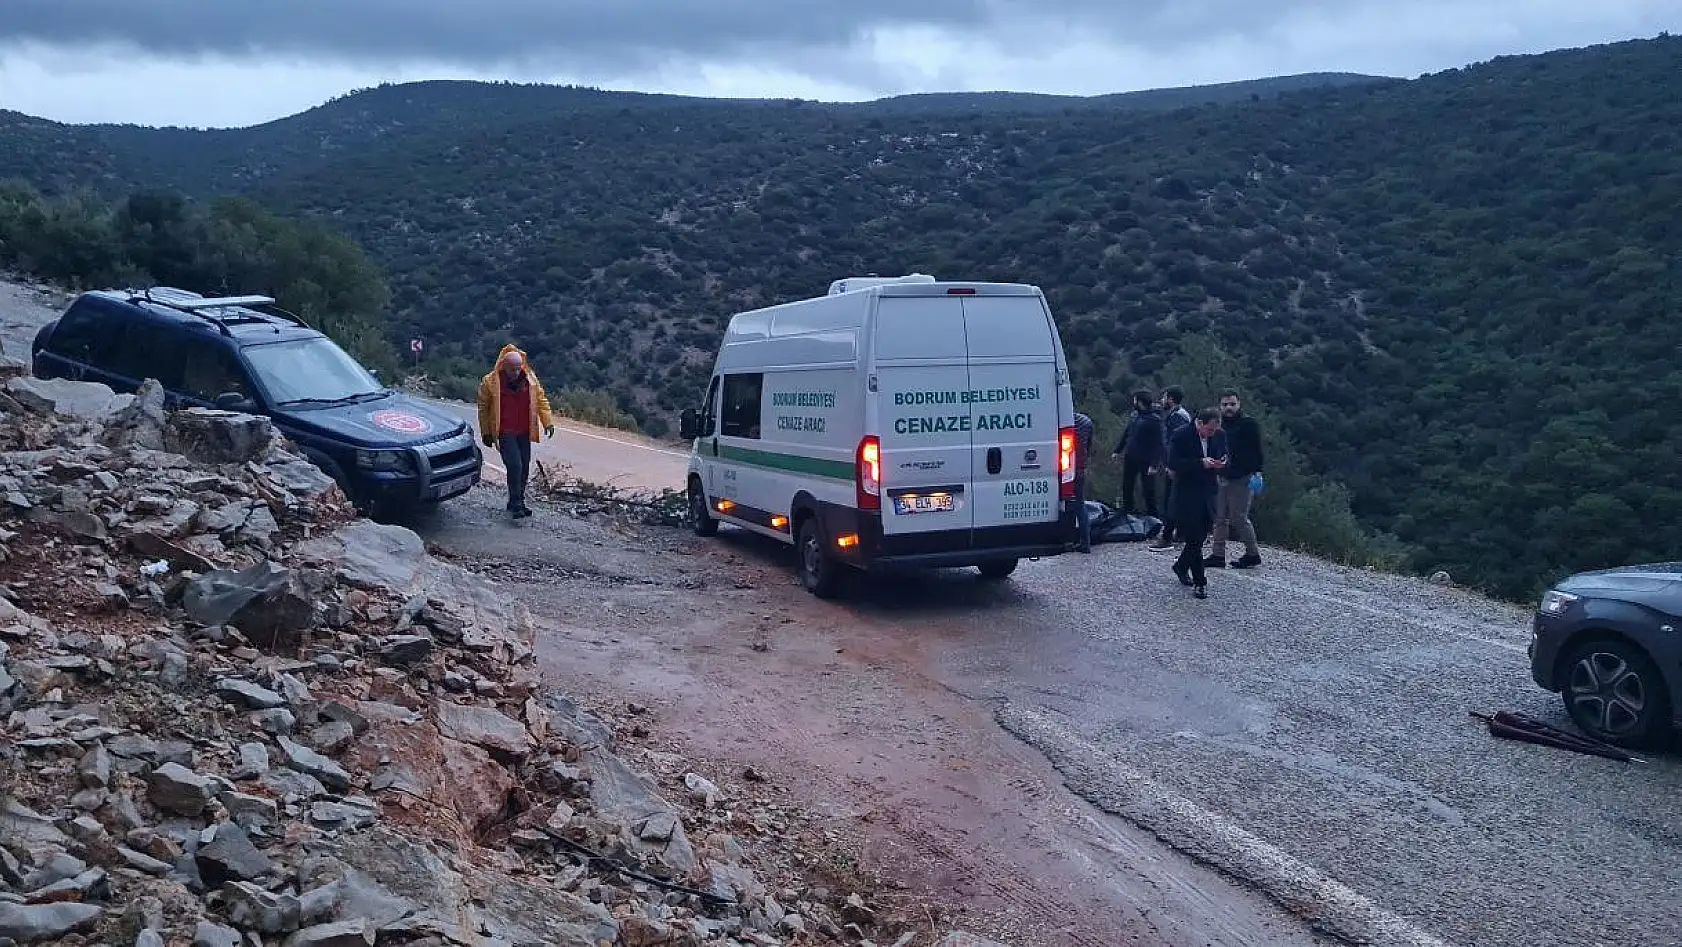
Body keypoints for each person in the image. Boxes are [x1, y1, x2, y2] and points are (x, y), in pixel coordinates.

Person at [476, 344, 555, 519]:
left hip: (523, 431)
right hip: (504, 431)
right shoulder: (491, 382)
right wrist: (486, 432)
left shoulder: (530, 380)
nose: (516, 372)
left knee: (524, 467)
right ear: (504, 366)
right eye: (513, 369)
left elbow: (541, 400)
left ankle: (517, 501)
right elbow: (483, 408)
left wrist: (547, 422)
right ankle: (517, 503)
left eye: (519, 368)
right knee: (515, 465)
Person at [1167, 407, 1227, 598]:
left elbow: (1223, 452)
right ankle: (1200, 582)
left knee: (1200, 536)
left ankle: (1181, 566)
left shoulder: (1218, 434)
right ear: (1199, 422)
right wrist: (1200, 463)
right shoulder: (1181, 435)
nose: (1211, 434)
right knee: (1194, 537)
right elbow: (1173, 463)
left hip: (1208, 492)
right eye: (1208, 430)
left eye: (1214, 431)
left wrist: (1222, 461)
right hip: (1187, 493)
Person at [1206, 388, 1264, 569]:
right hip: (1221, 476)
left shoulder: (1249, 424)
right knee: (1219, 517)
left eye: (1232, 404)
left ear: (1239, 404)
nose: (1229, 408)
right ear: (1220, 406)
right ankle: (1217, 554)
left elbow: (1258, 451)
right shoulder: (1218, 425)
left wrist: (1258, 473)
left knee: (1239, 518)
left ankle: (1252, 554)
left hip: (1242, 478)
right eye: (1225, 405)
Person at [1149, 387, 1193, 552]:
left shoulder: (1177, 418)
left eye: (1164, 398)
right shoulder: (1180, 414)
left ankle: (1167, 537)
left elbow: (1175, 443)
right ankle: (1180, 533)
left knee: (1171, 501)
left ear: (1171, 399)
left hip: (1176, 466)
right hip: (1178, 464)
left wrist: (1171, 465)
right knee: (1176, 500)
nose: (1161, 401)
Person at [1110, 390, 1162, 517]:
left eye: (1135, 400)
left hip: (1145, 459)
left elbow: (1158, 443)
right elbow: (1127, 434)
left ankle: (1153, 516)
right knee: (1127, 485)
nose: (1133, 402)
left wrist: (1154, 464)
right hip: (1130, 456)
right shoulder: (1134, 416)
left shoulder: (1154, 420)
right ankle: (1128, 510)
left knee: (1148, 490)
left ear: (1139, 402)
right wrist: (1118, 450)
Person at [1072, 410, 1096, 553]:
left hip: (1063, 469)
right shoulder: (1086, 421)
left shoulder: (1059, 420)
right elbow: (1089, 446)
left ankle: (1067, 538)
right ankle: (1085, 541)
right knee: (1080, 504)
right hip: (1080, 467)